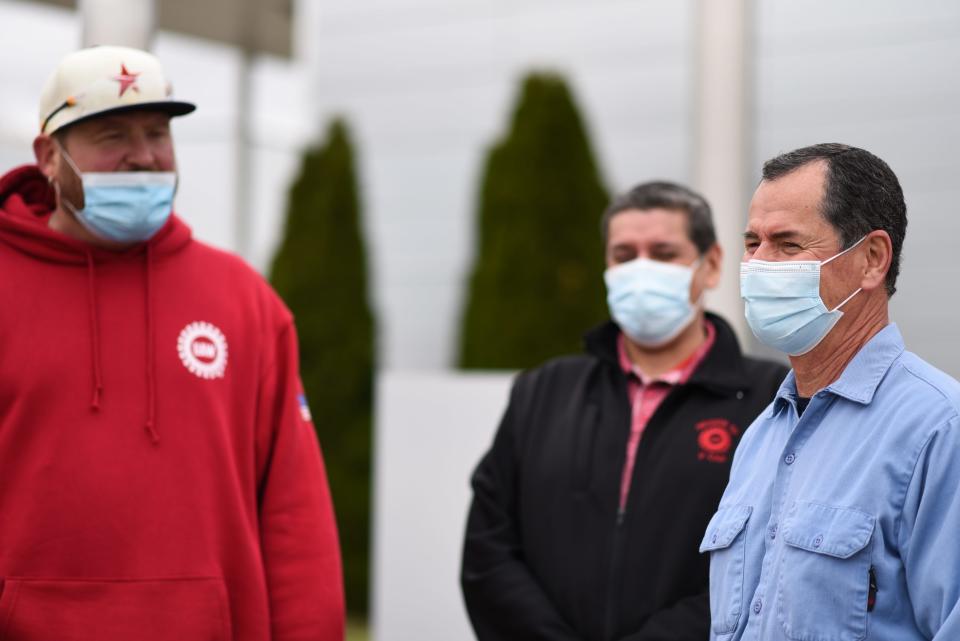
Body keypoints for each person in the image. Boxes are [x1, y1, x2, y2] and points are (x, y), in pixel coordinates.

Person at [0, 46, 344, 640]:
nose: (143, 157)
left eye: (158, 133)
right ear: (48, 157)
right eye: (112, 135)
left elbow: (294, 515)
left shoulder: (245, 303)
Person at [461, 181, 787, 641]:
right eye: (624, 255)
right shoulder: (542, 391)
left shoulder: (769, 400)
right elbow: (488, 551)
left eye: (663, 252)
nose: (641, 269)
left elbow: (768, 561)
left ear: (711, 265)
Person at [701, 143, 960, 640]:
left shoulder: (937, 430)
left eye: (789, 245)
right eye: (753, 242)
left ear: (871, 259)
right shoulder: (761, 436)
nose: (759, 265)